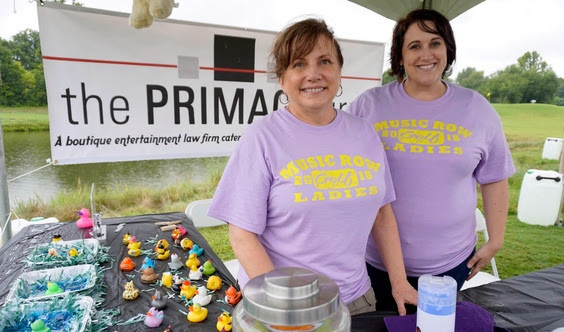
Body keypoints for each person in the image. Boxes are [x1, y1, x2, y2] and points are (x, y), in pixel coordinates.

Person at [208, 18, 417, 316]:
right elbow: (241, 235)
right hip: (283, 308)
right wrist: (283, 304)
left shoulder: (365, 134)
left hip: (357, 300)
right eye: (298, 64)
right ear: (282, 78)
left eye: (324, 61)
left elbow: (382, 213)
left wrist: (399, 282)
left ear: (339, 72)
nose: (313, 74)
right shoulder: (263, 137)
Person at [347, 9, 516, 311]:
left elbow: (495, 177)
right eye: (414, 46)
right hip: (375, 262)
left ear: (448, 50)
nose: (426, 54)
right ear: (399, 56)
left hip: (452, 264)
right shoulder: (369, 106)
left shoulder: (476, 108)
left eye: (435, 43)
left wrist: (495, 241)